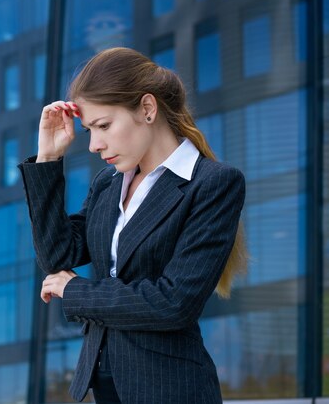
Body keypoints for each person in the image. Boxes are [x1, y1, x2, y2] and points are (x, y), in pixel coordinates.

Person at [17, 47, 247, 404]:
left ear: (147, 109)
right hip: (106, 385)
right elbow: (57, 255)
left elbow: (174, 302)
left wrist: (76, 290)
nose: (94, 145)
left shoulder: (213, 183)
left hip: (171, 389)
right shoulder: (107, 185)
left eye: (103, 126)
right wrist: (48, 158)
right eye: (89, 130)